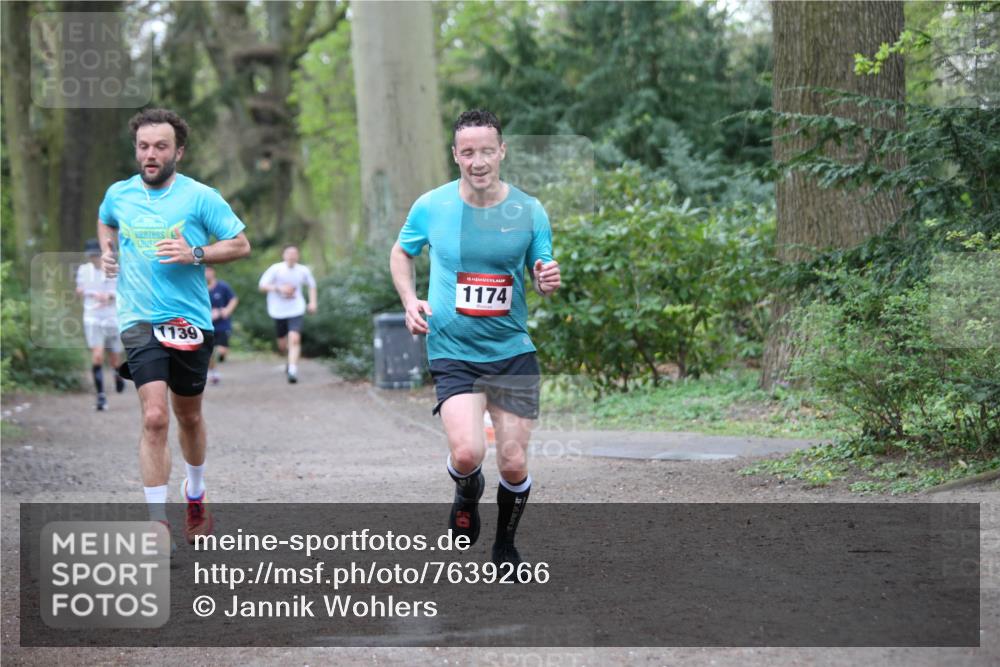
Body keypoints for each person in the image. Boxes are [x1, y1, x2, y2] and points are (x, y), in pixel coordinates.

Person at [389, 109, 561, 566]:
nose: (478, 161)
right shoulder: (432, 206)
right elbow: (401, 253)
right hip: (453, 350)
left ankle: (505, 547)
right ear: (455, 156)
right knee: (467, 454)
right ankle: (466, 489)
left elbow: (542, 267)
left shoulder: (529, 210)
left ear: (501, 151)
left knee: (513, 463)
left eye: (487, 150)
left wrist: (546, 278)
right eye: (468, 152)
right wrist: (410, 301)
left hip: (511, 352)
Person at [97, 108, 251, 545]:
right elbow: (107, 219)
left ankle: (196, 492)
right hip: (139, 319)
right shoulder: (119, 194)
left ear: (177, 151)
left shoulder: (201, 197)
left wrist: (195, 254)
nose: (151, 154)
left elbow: (241, 244)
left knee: (189, 416)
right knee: (154, 416)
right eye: (144, 146)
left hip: (190, 321)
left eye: (160, 146)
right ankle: (156, 521)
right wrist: (110, 252)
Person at [76, 238, 125, 410]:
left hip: (111, 317)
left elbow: (120, 291)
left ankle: (117, 375)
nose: (94, 258)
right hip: (92, 316)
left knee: (114, 358)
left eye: (96, 255)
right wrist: (86, 292)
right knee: (97, 356)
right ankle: (101, 396)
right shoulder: (83, 270)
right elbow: (79, 289)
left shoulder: (112, 269)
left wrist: (108, 296)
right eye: (91, 255)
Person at [258, 245, 317, 384]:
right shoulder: (276, 269)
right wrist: (279, 288)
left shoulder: (303, 270)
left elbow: (312, 286)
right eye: (288, 253)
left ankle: (292, 370)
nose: (291, 256)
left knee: (295, 338)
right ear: (284, 255)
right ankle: (289, 359)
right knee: (282, 345)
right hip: (278, 311)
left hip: (296, 309)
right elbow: (262, 286)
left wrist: (313, 302)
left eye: (294, 253)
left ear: (298, 256)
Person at [205, 265, 238, 385]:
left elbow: (234, 299)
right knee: (209, 352)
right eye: (205, 271)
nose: (207, 273)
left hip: (222, 324)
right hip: (207, 325)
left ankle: (217, 364)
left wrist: (226, 311)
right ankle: (213, 372)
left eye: (209, 271)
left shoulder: (222, 286)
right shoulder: (200, 287)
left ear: (213, 272)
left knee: (222, 351)